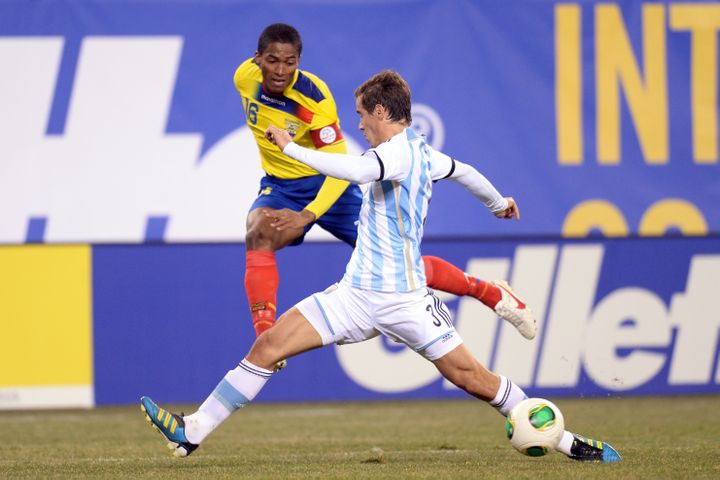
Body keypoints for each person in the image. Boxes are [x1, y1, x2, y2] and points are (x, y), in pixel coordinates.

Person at [141, 70, 621, 463]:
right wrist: (499, 204)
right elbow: (467, 173)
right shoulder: (425, 154)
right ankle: (192, 431)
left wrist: (289, 148)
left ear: (381, 112)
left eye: (362, 116)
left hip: (407, 302)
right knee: (269, 345)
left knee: (474, 379)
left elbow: (353, 170)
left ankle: (566, 441)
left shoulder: (392, 155)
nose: (360, 125)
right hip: (354, 296)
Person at [234, 23, 535, 345]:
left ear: (298, 61)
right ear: (257, 59)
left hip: (331, 186)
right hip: (281, 187)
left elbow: (343, 167)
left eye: (289, 62)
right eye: (272, 60)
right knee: (258, 232)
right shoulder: (244, 78)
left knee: (402, 266)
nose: (280, 70)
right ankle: (265, 337)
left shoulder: (314, 100)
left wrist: (307, 214)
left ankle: (489, 292)